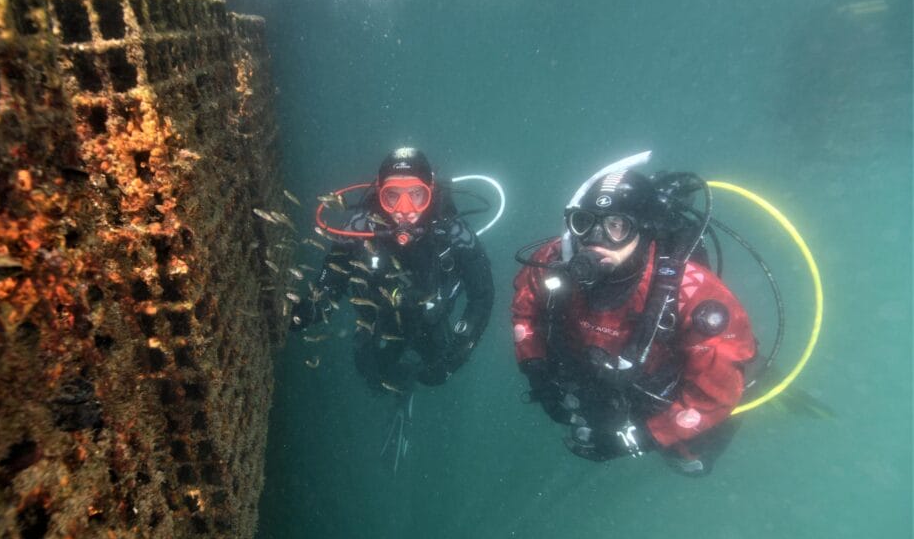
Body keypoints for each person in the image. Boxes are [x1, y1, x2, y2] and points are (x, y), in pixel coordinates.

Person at [511, 153, 756, 475]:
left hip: (661, 388)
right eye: (585, 222)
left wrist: (642, 438)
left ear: (644, 231)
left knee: (691, 461)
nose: (596, 240)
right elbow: (524, 312)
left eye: (617, 226)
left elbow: (714, 392)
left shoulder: (692, 292)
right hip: (598, 371)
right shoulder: (554, 259)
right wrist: (537, 371)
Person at [293, 147, 494, 470]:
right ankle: (401, 391)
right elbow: (333, 278)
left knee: (439, 373)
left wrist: (463, 344)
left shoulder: (452, 230)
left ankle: (413, 388)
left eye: (416, 195)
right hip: (378, 319)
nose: (404, 211)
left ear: (431, 192)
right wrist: (310, 310)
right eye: (392, 197)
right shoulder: (360, 224)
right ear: (379, 193)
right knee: (371, 376)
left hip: (430, 320)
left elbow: (482, 295)